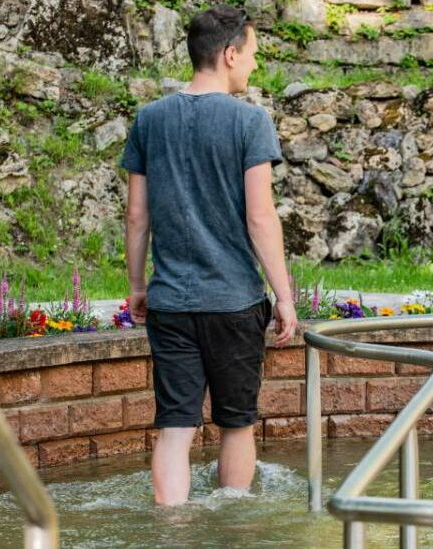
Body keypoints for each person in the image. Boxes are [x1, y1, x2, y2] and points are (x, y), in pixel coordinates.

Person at [120, 5, 297, 506]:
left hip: (171, 302)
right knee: (237, 424)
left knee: (175, 427)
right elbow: (261, 218)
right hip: (234, 302)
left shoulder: (150, 119)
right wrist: (284, 296)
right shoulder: (249, 121)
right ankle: (233, 528)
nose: (254, 66)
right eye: (253, 55)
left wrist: (138, 287)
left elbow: (137, 216)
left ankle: (170, 530)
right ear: (230, 53)